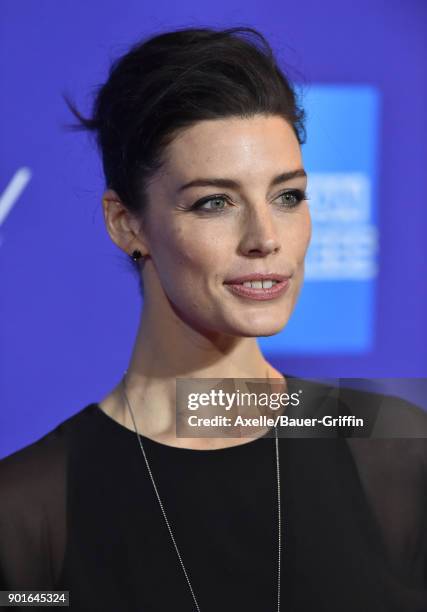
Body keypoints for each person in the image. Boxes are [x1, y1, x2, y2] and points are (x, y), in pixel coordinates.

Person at [0, 25, 426, 612]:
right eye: (214, 202)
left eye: (287, 196)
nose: (265, 239)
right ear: (126, 223)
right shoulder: (30, 508)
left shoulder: (394, 450)